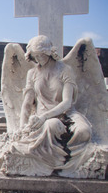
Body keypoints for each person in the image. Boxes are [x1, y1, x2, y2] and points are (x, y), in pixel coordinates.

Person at [10, 35, 92, 175]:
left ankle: (76, 165)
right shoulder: (32, 73)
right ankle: (54, 164)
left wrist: (44, 117)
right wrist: (22, 127)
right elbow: (27, 103)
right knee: (51, 126)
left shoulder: (65, 70)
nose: (38, 59)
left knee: (84, 132)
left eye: (41, 55)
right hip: (44, 117)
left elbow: (67, 102)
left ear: (49, 52)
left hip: (66, 113)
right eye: (35, 56)